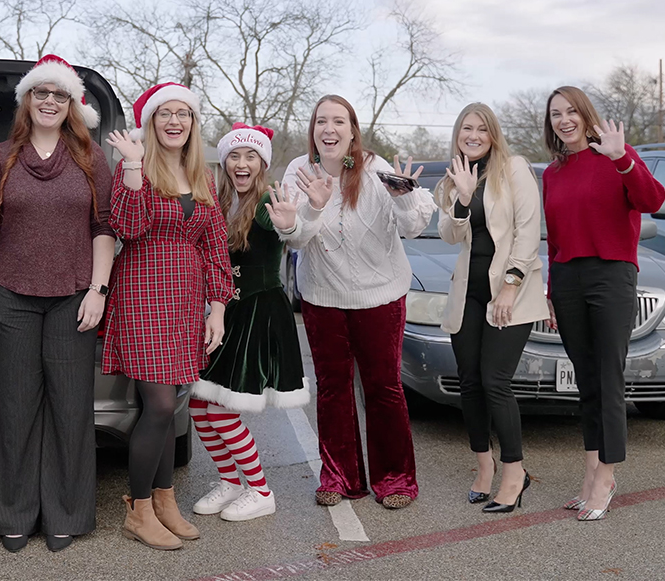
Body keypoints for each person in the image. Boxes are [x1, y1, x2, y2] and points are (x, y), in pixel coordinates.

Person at [0, 55, 114, 553]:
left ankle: (66, 513)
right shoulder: (1, 154)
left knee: (71, 408)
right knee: (15, 406)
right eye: (41, 93)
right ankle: (12, 513)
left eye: (60, 94)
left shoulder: (92, 159)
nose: (50, 101)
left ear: (72, 105)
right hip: (12, 293)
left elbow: (104, 227)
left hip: (74, 296)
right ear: (27, 100)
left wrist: (98, 290)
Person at [267, 94, 434, 510]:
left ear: (353, 130)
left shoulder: (376, 170)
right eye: (321, 121)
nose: (329, 129)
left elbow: (413, 227)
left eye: (338, 121)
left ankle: (395, 479)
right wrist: (311, 210)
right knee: (333, 389)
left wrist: (405, 195)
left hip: (379, 297)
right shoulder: (298, 172)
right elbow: (298, 239)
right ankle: (340, 477)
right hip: (323, 298)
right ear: (313, 130)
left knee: (383, 388)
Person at [103, 82, 234, 550]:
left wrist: (216, 308)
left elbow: (215, 245)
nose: (175, 121)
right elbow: (128, 227)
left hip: (185, 303)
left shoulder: (201, 176)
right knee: (158, 407)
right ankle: (138, 510)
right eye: (166, 114)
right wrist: (135, 168)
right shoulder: (132, 166)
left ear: (194, 124)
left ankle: (164, 501)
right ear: (152, 122)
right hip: (142, 295)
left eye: (184, 114)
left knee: (168, 405)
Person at [542, 86, 665, 521]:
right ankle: (592, 467)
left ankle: (607, 475)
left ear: (586, 114)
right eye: (556, 114)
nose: (564, 119)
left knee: (608, 376)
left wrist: (622, 158)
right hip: (569, 278)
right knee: (586, 379)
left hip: (612, 274)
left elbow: (652, 200)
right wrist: (552, 292)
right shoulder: (552, 173)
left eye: (571, 111)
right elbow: (555, 239)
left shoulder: (616, 155)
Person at [189, 123, 308, 522]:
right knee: (199, 404)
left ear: (262, 163)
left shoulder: (269, 201)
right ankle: (230, 480)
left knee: (222, 408)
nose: (242, 164)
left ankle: (260, 489)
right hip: (225, 311)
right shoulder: (219, 200)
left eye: (250, 156)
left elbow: (292, 232)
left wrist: (291, 223)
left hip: (259, 311)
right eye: (235, 156)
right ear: (225, 162)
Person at [434, 103, 547, 513]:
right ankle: (484, 467)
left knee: (494, 380)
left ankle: (515, 473)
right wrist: (462, 198)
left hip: (509, 293)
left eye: (482, 128)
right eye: (467, 128)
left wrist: (510, 287)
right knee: (469, 382)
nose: (474, 135)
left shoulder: (514, 168)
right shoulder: (454, 177)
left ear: (492, 133)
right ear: (458, 133)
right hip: (468, 294)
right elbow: (448, 234)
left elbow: (527, 231)